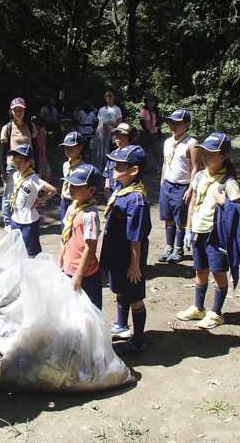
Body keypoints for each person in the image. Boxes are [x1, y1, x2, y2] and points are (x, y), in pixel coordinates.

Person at [176, 134, 240, 328]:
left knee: (218, 273)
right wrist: (189, 228)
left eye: (211, 153)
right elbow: (193, 204)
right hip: (198, 232)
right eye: (203, 152)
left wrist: (224, 202)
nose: (205, 156)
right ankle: (199, 308)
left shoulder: (228, 183)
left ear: (223, 156)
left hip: (216, 237)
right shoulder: (200, 176)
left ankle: (216, 312)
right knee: (200, 270)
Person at [99, 145, 151, 352]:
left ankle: (137, 341)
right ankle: (121, 325)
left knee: (134, 298)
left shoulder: (136, 200)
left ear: (134, 170)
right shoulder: (121, 190)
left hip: (129, 259)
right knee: (120, 292)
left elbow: (136, 236)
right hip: (116, 255)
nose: (114, 167)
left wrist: (135, 265)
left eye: (120, 164)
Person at [158, 109, 201, 264]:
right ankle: (168, 247)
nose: (172, 126)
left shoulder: (192, 144)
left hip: (182, 186)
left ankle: (179, 248)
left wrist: (191, 188)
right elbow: (165, 163)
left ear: (186, 125)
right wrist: (162, 182)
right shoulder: (168, 142)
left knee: (180, 218)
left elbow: (195, 167)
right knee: (168, 217)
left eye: (177, 123)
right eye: (171, 123)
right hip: (167, 184)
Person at [58, 164, 103, 309]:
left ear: (91, 190)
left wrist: (78, 275)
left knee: (89, 311)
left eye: (76, 186)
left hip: (85, 274)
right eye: (70, 184)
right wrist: (60, 262)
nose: (70, 188)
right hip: (69, 269)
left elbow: (90, 248)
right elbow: (65, 237)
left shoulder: (90, 215)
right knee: (72, 310)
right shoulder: (72, 208)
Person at [8, 144, 56, 257]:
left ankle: (32, 270)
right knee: (17, 247)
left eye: (21, 160)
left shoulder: (33, 179)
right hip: (16, 217)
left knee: (31, 251)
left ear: (30, 162)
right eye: (15, 161)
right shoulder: (16, 175)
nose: (17, 164)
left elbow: (52, 190)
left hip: (28, 221)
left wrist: (39, 202)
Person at [0, 97, 39, 232]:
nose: (18, 112)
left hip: (28, 166)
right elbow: (2, 152)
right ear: (12, 112)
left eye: (20, 110)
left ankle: (23, 220)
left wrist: (37, 167)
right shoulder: (7, 128)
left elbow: (36, 148)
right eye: (15, 110)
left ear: (24, 110)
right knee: (9, 194)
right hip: (12, 166)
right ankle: (7, 222)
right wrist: (2, 172)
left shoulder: (31, 126)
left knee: (26, 194)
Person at [103, 123, 138, 199]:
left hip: (126, 194)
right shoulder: (113, 154)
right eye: (117, 134)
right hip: (112, 193)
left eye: (123, 135)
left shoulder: (134, 157)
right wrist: (107, 188)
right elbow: (107, 174)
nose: (118, 138)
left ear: (133, 139)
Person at [59, 132, 86, 227]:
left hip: (75, 201)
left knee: (74, 227)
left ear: (80, 148)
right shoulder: (65, 165)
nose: (67, 149)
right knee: (64, 226)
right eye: (65, 147)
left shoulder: (83, 168)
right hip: (64, 199)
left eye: (71, 147)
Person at [91, 88, 122, 171]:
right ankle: (105, 169)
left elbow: (120, 124)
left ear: (114, 96)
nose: (108, 97)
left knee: (113, 152)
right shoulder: (101, 110)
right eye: (106, 96)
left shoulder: (117, 109)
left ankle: (114, 169)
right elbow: (99, 124)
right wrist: (96, 135)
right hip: (103, 135)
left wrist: (111, 123)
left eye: (110, 95)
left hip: (113, 135)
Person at [138, 94, 162, 174]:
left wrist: (159, 130)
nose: (150, 103)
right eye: (149, 101)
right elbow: (142, 123)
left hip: (154, 133)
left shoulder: (156, 111)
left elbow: (157, 121)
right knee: (143, 152)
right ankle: (141, 168)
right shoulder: (144, 111)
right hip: (144, 134)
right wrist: (148, 132)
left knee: (156, 151)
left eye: (152, 101)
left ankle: (160, 169)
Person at [34, 116, 51, 183]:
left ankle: (46, 188)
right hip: (37, 161)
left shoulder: (42, 135)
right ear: (38, 127)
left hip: (44, 159)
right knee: (38, 176)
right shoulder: (34, 136)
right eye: (44, 127)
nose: (45, 129)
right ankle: (39, 190)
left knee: (47, 173)